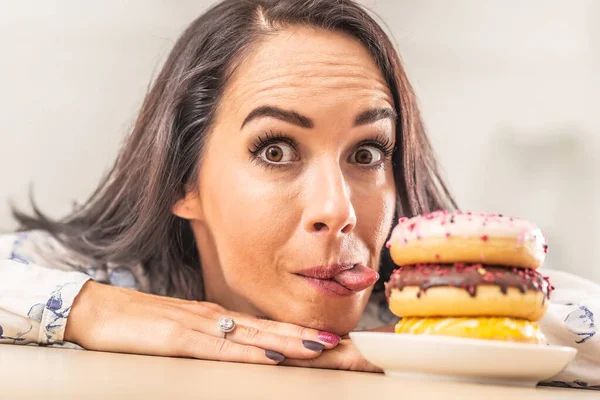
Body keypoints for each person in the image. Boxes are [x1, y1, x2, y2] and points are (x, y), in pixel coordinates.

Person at [1, 0, 597, 389]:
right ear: (185, 181)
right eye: (276, 150)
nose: (338, 211)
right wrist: (88, 310)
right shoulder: (115, 288)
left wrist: (479, 347)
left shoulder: (430, 310)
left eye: (367, 154)